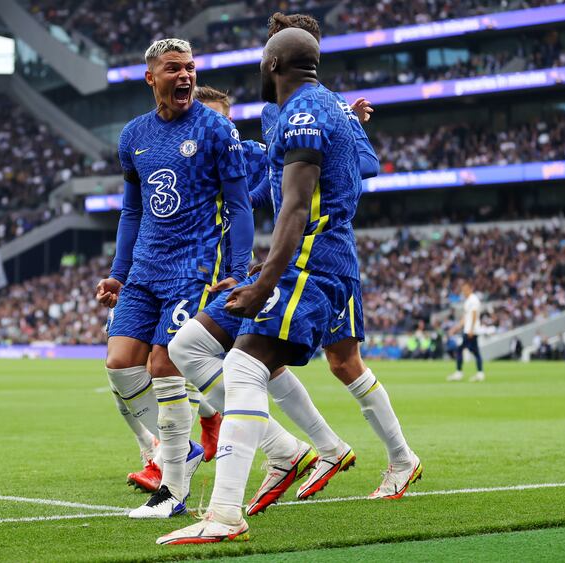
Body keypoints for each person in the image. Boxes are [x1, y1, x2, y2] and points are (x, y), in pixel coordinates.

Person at [159, 27, 420, 546]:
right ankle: (287, 451)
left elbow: (298, 207)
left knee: (248, 364)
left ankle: (227, 512)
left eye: (263, 55)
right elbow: (283, 192)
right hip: (290, 261)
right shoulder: (309, 108)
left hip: (312, 263)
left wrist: (263, 282)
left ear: (274, 61)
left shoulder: (304, 114)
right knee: (189, 345)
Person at [168, 84, 357, 517]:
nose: (212, 127)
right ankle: (316, 447)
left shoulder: (272, 137)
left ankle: (247, 482)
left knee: (252, 361)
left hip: (304, 262)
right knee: (197, 350)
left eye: (218, 119)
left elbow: (274, 202)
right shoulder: (196, 155)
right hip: (266, 263)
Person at [95, 38, 254, 519]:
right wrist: (118, 274)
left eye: (190, 68)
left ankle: (173, 493)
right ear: (151, 78)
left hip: (193, 265)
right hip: (144, 268)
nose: (185, 76)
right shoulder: (133, 136)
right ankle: (181, 447)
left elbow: (242, 203)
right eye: (173, 69)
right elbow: (132, 210)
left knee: (164, 364)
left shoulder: (215, 128)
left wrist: (238, 271)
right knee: (121, 364)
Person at [448, 282, 485, 382]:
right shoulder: (468, 300)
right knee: (475, 352)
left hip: (470, 330)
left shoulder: (473, 300)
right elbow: (466, 317)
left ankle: (459, 372)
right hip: (469, 329)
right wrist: (456, 328)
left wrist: (471, 329)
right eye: (463, 290)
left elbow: (474, 315)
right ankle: (480, 373)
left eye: (465, 290)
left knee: (460, 350)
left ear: (470, 289)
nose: (464, 292)